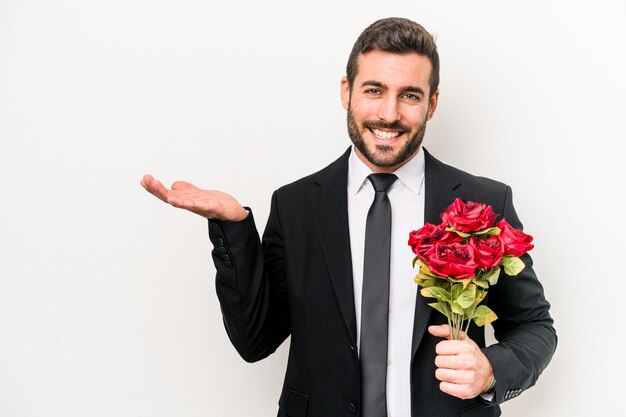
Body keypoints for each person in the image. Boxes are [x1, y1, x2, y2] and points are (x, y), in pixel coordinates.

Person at [141, 17, 556, 417]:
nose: (389, 114)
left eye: (410, 95)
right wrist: (233, 228)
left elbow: (535, 326)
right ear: (346, 91)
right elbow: (256, 340)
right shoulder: (296, 206)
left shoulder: (483, 205)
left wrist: (490, 372)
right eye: (374, 90)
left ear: (432, 104)